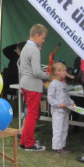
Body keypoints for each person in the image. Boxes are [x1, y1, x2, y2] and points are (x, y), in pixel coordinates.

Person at [18, 24, 50, 152]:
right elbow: (37, 72)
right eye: (43, 38)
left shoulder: (25, 47)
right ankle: (30, 144)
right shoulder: (35, 50)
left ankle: (23, 142)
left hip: (25, 84)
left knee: (31, 114)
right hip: (33, 86)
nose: (43, 41)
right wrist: (48, 76)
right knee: (32, 115)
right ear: (36, 36)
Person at [47, 62, 75, 154]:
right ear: (57, 72)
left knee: (64, 128)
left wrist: (71, 102)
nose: (65, 72)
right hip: (57, 111)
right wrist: (59, 104)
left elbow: (66, 96)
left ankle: (62, 145)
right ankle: (56, 147)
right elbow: (50, 98)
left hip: (65, 110)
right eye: (64, 71)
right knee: (57, 129)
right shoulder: (53, 84)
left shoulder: (63, 84)